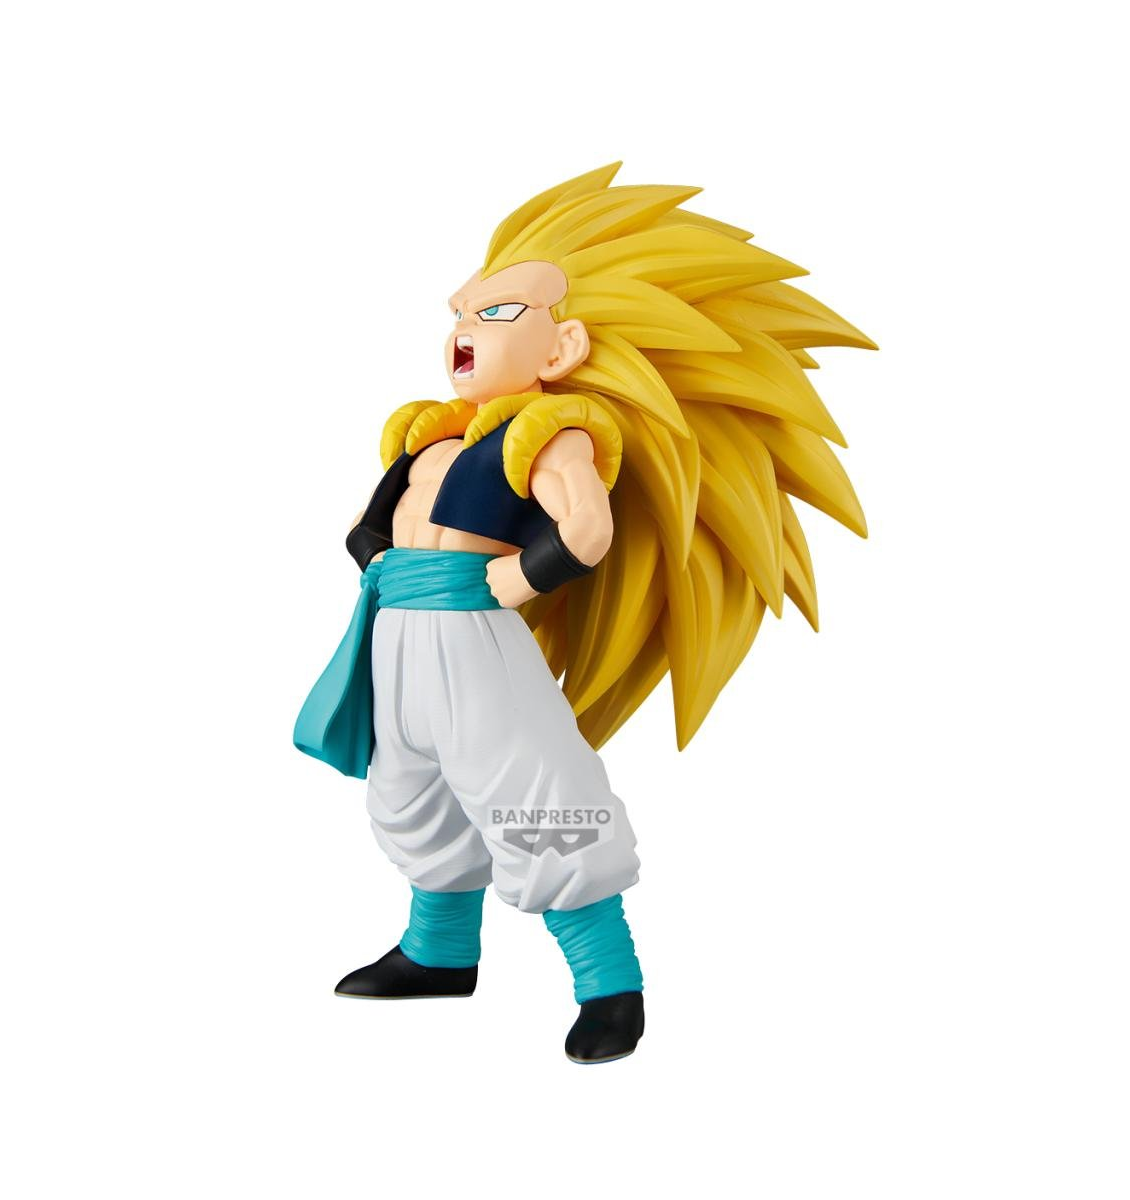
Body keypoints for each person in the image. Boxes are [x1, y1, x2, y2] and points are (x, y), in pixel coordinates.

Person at [295, 163, 873, 1063]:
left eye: (496, 312)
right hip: (396, 633)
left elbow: (588, 530)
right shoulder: (429, 435)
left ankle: (609, 983)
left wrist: (520, 581)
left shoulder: (549, 434)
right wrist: (377, 560)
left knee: (537, 798)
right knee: (410, 790)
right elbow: (370, 523)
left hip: (472, 635)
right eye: (461, 311)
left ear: (562, 347)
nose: (464, 328)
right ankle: (438, 952)